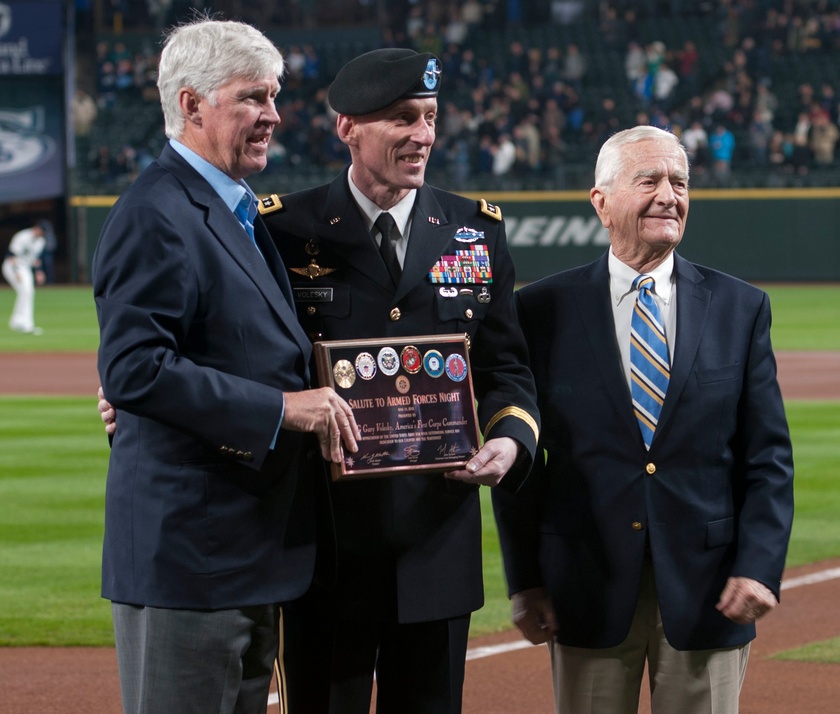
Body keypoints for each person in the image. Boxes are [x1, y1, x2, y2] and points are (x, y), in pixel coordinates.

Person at [91, 19, 358, 713]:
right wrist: (281, 408)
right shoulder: (156, 212)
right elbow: (134, 368)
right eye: (252, 98)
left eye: (273, 96)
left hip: (244, 553)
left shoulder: (232, 209)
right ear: (191, 105)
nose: (273, 115)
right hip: (189, 559)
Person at [264, 48, 540, 713]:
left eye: (429, 117)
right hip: (322, 547)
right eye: (400, 120)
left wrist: (508, 441)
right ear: (347, 129)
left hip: (434, 547)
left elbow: (504, 368)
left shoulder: (475, 231)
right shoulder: (281, 230)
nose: (421, 135)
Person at [492, 125, 794, 714]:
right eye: (649, 180)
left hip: (709, 588)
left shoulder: (741, 306)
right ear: (601, 203)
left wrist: (760, 566)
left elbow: (768, 456)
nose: (669, 195)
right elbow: (524, 458)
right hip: (586, 583)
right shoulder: (541, 310)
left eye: (679, 182)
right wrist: (524, 578)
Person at [2, 222, 47, 334]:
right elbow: (11, 254)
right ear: (36, 228)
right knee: (26, 291)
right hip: (12, 266)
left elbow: (35, 259)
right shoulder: (22, 236)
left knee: (27, 292)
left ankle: (17, 321)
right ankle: (26, 324)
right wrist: (16, 272)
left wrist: (38, 272)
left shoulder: (41, 241)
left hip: (25, 268)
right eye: (41, 231)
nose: (41, 234)